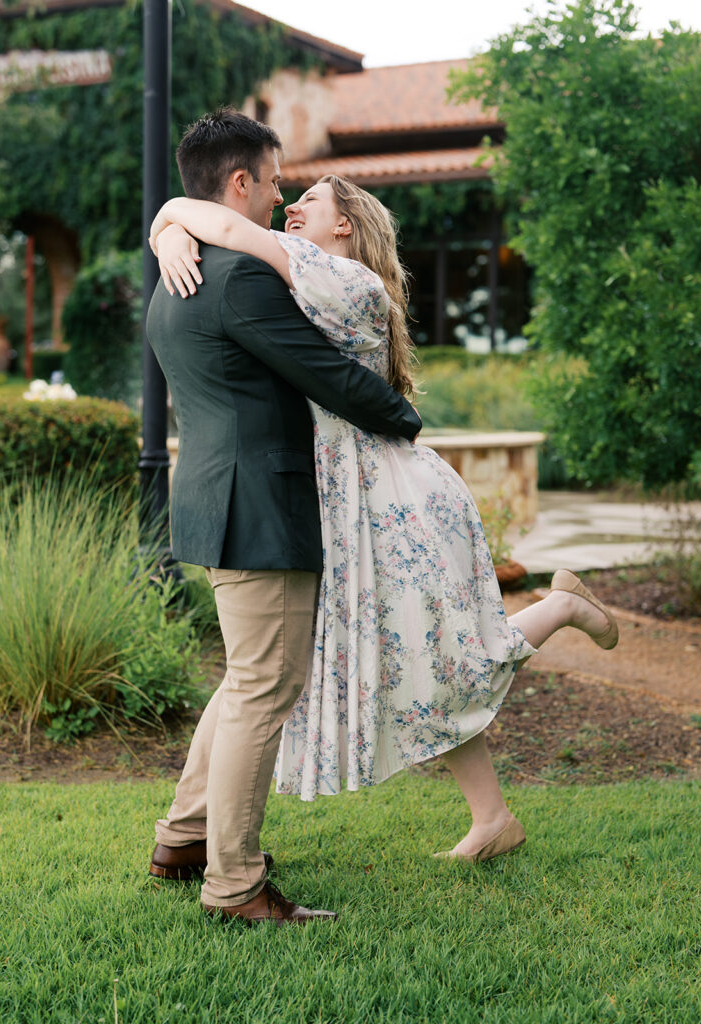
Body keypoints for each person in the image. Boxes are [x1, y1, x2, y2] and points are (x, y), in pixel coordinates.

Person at [151, 172, 619, 866]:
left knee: (435, 654)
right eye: (289, 195)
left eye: (310, 200)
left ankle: (556, 608)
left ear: (345, 226)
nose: (291, 206)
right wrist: (168, 234)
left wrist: (167, 219)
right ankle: (492, 817)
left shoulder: (343, 282)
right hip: (345, 498)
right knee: (418, 658)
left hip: (389, 499)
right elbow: (224, 232)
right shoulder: (301, 277)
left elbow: (226, 225)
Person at [144, 110, 422, 927]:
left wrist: (168, 221)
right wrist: (405, 422)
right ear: (238, 183)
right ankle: (235, 883)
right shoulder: (241, 275)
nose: (275, 195)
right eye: (270, 180)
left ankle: (184, 837)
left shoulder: (179, 272)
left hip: (217, 497)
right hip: (259, 504)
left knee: (244, 682)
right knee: (265, 689)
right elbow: (325, 375)